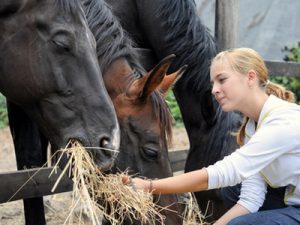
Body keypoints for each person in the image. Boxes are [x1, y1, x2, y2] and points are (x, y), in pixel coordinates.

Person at [122, 47, 300, 225]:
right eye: (213, 83)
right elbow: (251, 198)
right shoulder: (252, 128)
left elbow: (224, 172)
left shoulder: (283, 121)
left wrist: (149, 186)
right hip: (291, 199)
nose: (214, 89)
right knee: (231, 191)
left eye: (222, 80)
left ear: (250, 77)